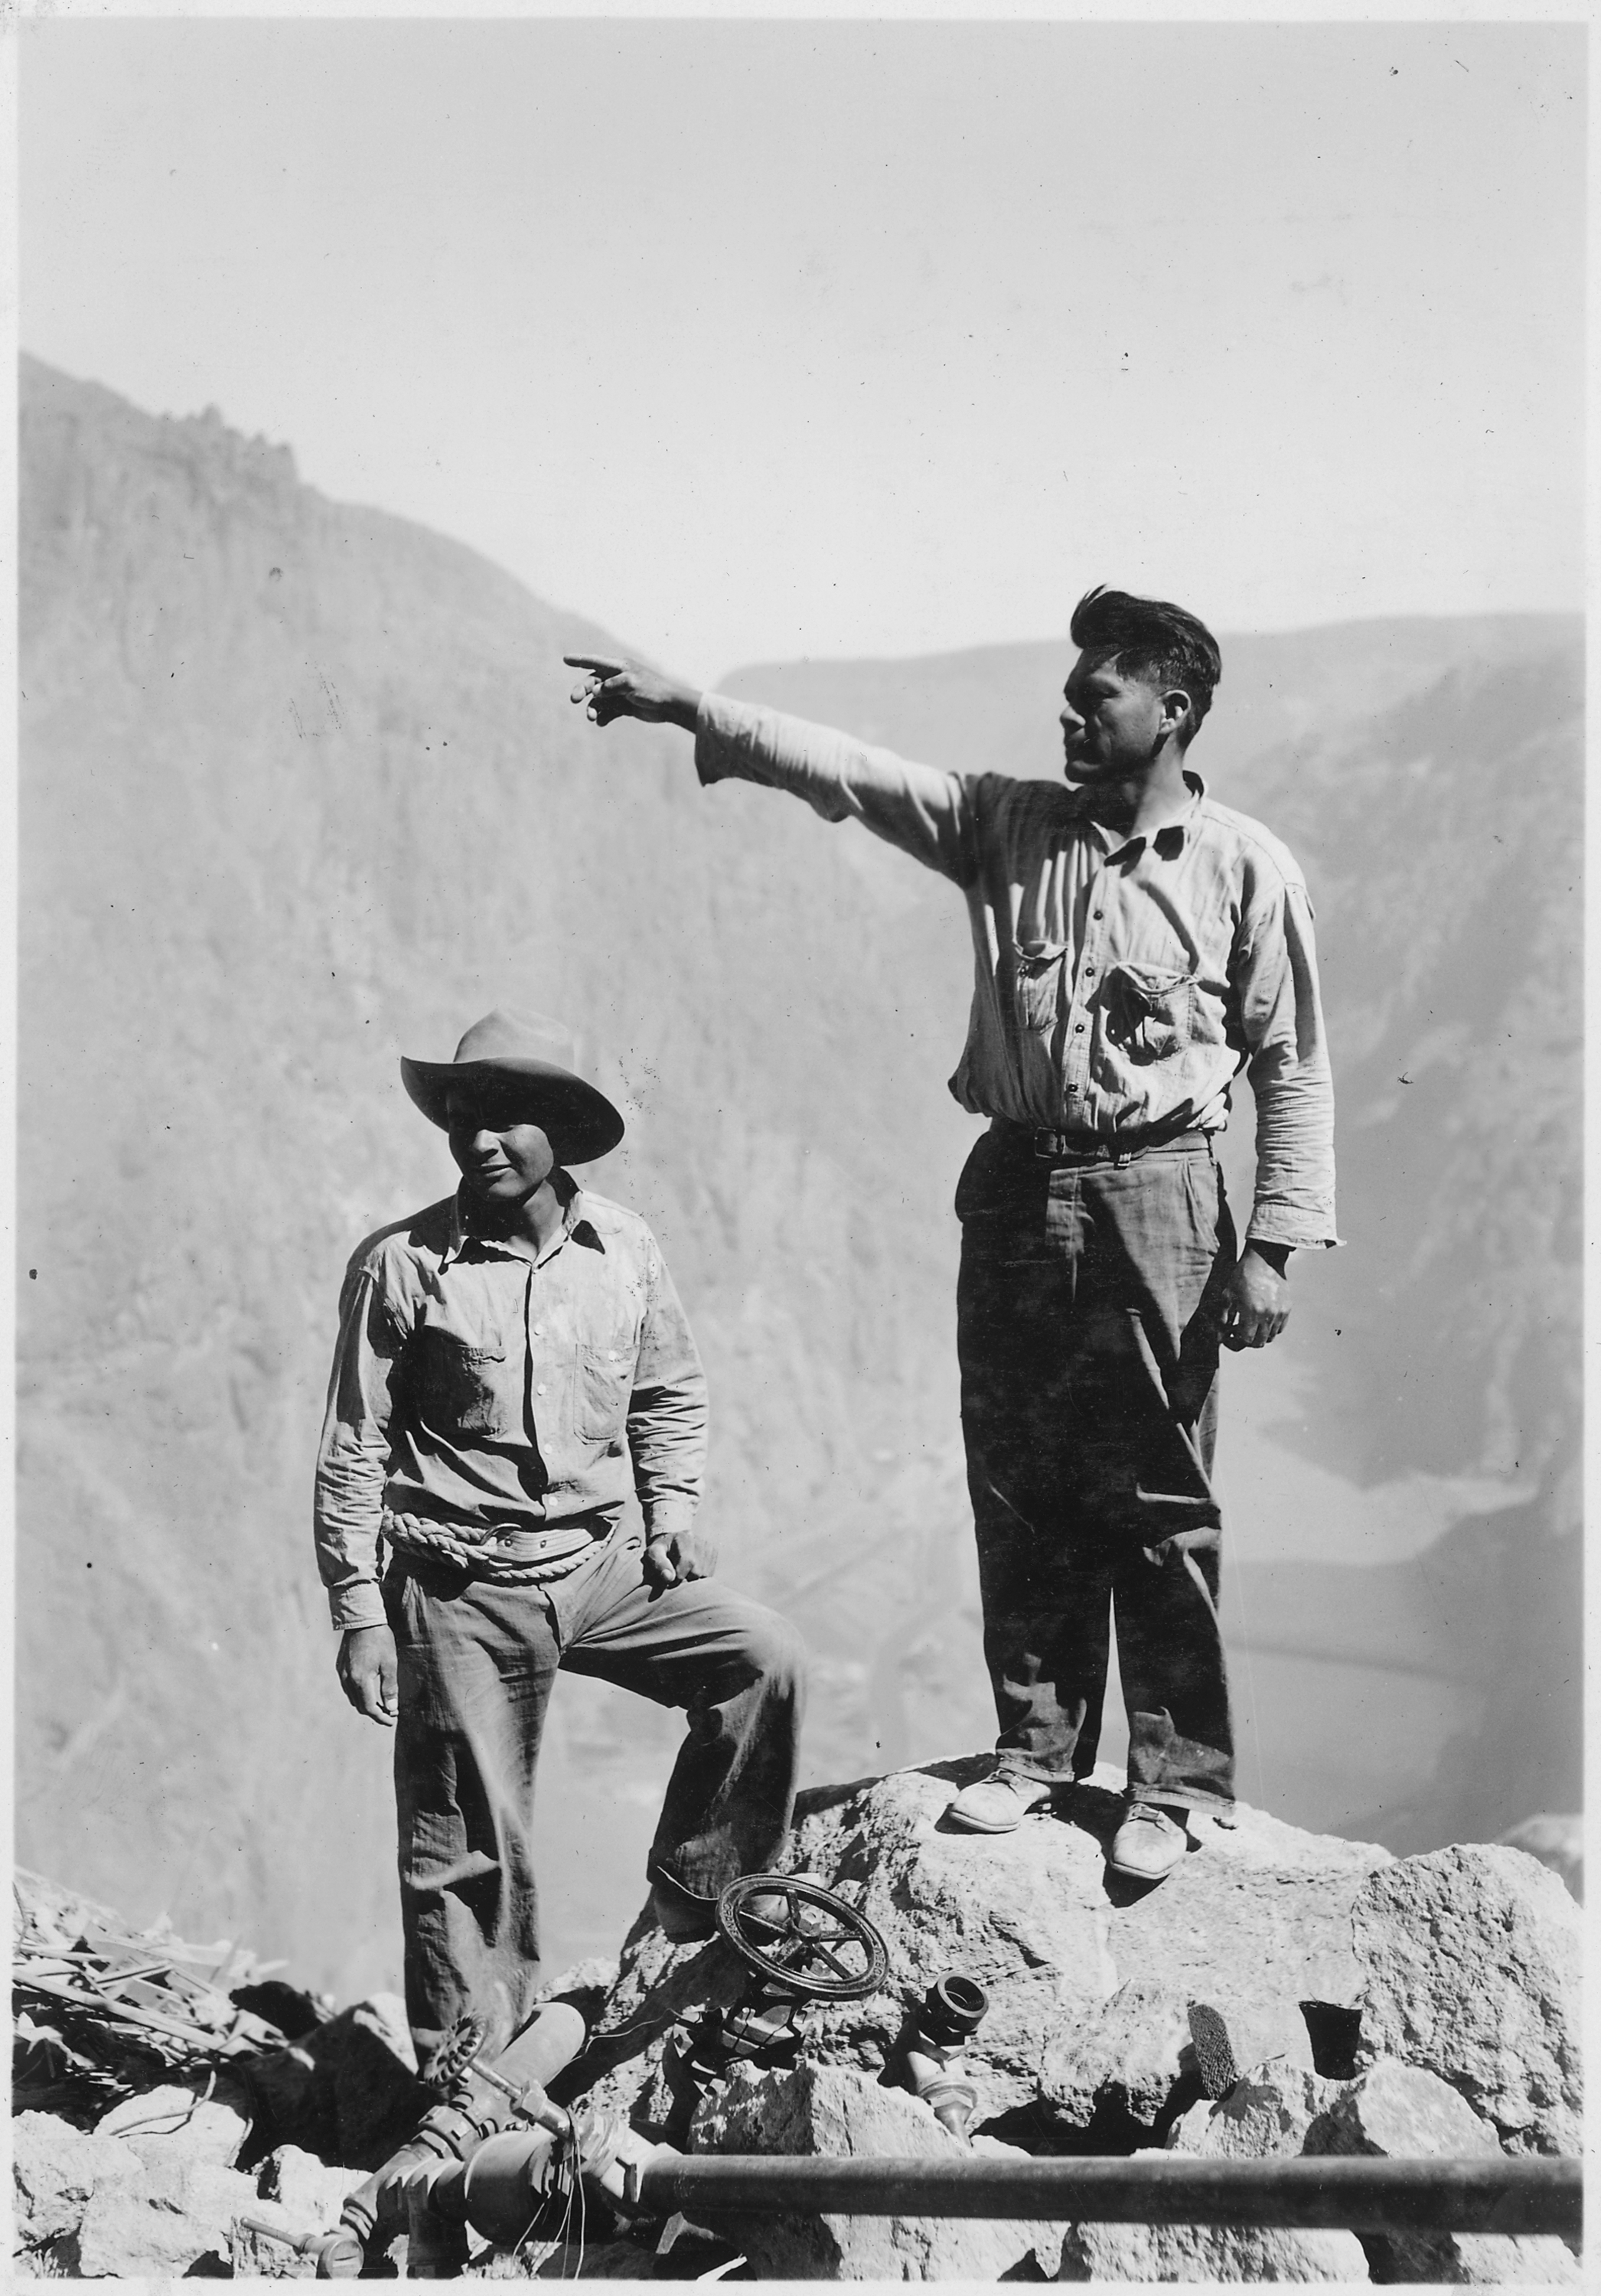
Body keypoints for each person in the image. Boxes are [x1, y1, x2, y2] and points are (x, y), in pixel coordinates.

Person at [564, 587, 1338, 1887]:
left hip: (1163, 1192)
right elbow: (855, 776)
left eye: (1098, 698)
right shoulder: (1004, 824)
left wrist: (1273, 1244)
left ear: (1175, 712)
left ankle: (1178, 1782)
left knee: (1156, 1488)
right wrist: (695, 709)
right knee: (1021, 1475)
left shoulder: (1245, 867)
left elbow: (1295, 1066)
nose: (1070, 716)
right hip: (1017, 1185)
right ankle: (1034, 1755)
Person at [315, 1008, 806, 2077]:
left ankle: (696, 1904)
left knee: (759, 1662)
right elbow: (353, 1451)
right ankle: (468, 2086)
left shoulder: (623, 1247)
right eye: (460, 1120)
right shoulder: (402, 1267)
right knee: (467, 1855)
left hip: (600, 1565)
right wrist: (360, 1615)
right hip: (460, 1586)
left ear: (559, 1135)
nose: (476, 1140)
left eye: (502, 1118)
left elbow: (668, 1389)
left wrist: (670, 1513)